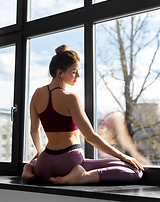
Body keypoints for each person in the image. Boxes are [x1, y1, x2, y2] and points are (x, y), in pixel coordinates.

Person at [22, 45, 144, 185]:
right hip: (69, 163)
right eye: (74, 72)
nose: (78, 76)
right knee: (135, 171)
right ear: (60, 72)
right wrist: (123, 156)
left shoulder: (37, 94)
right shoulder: (70, 98)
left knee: (35, 161)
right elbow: (90, 136)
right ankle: (83, 176)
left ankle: (29, 168)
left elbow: (33, 131)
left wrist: (40, 151)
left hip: (43, 166)